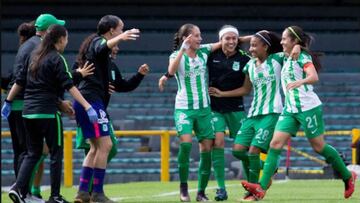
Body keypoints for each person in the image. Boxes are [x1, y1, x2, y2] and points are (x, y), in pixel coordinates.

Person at [241, 26, 357, 201]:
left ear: (294, 41)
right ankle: (261, 188)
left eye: (285, 39)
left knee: (319, 147)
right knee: (274, 145)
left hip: (307, 108)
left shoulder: (302, 56)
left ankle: (348, 176)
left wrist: (300, 81)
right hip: (290, 110)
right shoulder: (285, 56)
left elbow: (313, 76)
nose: (281, 42)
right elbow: (267, 43)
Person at [3, 24, 97, 203]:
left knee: (33, 153)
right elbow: (69, 85)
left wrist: (8, 101)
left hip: (28, 113)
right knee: (56, 153)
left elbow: (19, 81)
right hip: (48, 113)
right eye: (66, 38)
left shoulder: (33, 56)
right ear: (60, 39)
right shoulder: (57, 58)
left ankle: (17, 187)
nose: (67, 42)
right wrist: (86, 106)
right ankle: (55, 196)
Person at [210, 30, 289, 201]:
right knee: (238, 151)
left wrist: (296, 48)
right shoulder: (250, 65)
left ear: (266, 47)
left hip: (271, 113)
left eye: (254, 45)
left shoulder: (276, 59)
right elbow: (246, 90)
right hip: (252, 115)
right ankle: (269, 167)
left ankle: (254, 192)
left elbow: (291, 47)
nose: (251, 49)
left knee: (253, 151)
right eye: (250, 45)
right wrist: (222, 94)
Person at [72, 15, 141, 203]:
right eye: (120, 28)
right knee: (106, 145)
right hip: (91, 101)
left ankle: (83, 193)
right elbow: (102, 47)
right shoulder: (98, 41)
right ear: (111, 30)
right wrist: (121, 38)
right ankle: (97, 193)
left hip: (87, 100)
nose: (122, 31)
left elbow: (120, 83)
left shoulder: (99, 53)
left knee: (95, 148)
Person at [1, 14, 69, 202]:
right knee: (36, 151)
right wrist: (59, 102)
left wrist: (7, 101)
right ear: (50, 32)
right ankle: (24, 192)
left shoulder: (26, 45)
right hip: (30, 104)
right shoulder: (40, 48)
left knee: (24, 152)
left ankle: (25, 191)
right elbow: (38, 81)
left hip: (17, 104)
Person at [158, 23, 223, 202]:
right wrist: (182, 49)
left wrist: (250, 37)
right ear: (186, 37)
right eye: (196, 35)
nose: (200, 39)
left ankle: (201, 192)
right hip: (184, 109)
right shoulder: (175, 55)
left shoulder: (203, 51)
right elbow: (171, 71)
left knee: (207, 149)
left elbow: (225, 41)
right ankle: (183, 187)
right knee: (186, 144)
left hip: (204, 109)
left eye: (200, 35)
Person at [205, 25, 250, 201]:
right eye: (227, 38)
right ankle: (221, 188)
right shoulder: (211, 56)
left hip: (236, 108)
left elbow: (246, 90)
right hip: (215, 109)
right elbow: (195, 48)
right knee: (218, 142)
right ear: (220, 40)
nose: (231, 41)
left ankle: (252, 185)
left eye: (234, 38)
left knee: (243, 148)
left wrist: (223, 93)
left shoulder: (245, 58)